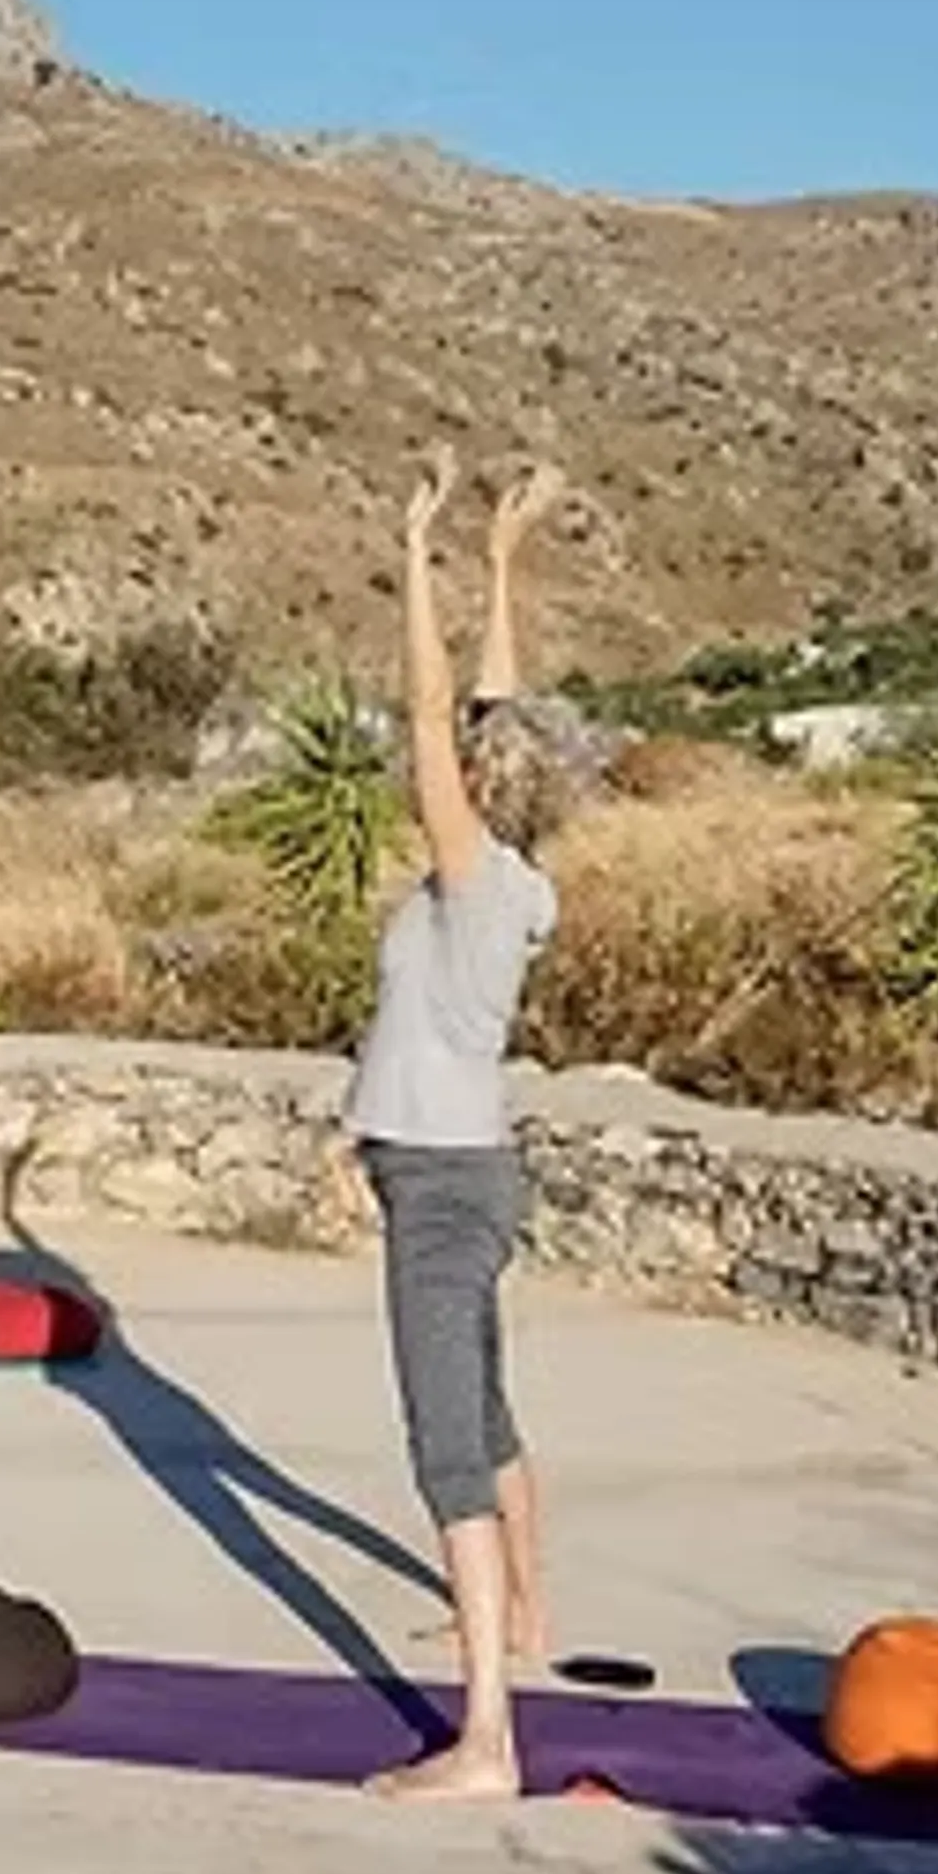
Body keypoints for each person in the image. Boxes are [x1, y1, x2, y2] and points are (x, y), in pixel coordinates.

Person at [346, 450, 578, 1801]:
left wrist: (412, 544)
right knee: (486, 1416)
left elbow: (437, 712)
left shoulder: (473, 871)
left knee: (446, 1448)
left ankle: (487, 1737)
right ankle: (528, 1616)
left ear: (480, 790)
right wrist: (498, 555)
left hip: (440, 1186)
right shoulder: (520, 878)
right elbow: (494, 710)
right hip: (459, 1167)